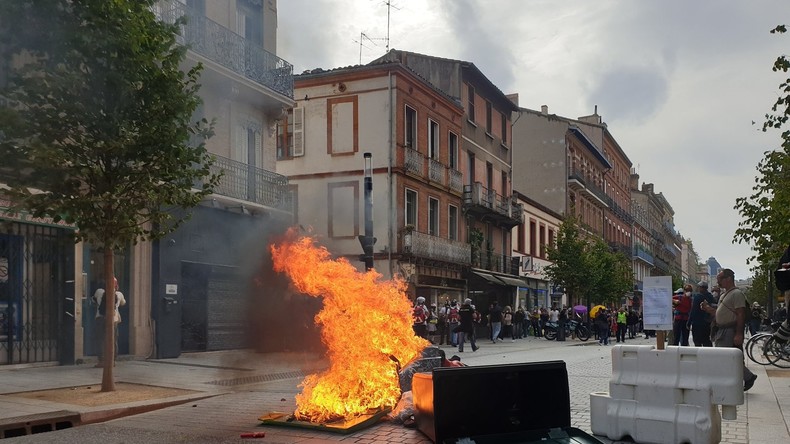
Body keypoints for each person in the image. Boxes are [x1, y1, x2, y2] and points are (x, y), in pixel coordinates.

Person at [701, 268, 758, 391]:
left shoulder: (737, 294)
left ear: (728, 279)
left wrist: (739, 333)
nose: (718, 282)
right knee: (726, 357)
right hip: (722, 330)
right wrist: (708, 309)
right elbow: (720, 313)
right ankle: (742, 378)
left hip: (729, 330)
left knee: (726, 358)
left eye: (719, 279)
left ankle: (747, 377)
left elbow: (740, 314)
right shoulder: (725, 294)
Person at [93, 277, 126, 367]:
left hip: (100, 318)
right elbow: (123, 303)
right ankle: (112, 360)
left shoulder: (99, 291)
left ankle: (101, 360)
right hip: (113, 319)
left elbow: (94, 299)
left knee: (100, 339)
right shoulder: (119, 294)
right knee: (113, 340)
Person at [688, 281, 715, 347]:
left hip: (697, 323)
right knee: (706, 340)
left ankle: (699, 355)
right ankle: (708, 355)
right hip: (707, 322)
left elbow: (693, 310)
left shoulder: (697, 297)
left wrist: (689, 322)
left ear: (701, 288)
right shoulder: (711, 297)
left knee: (697, 341)